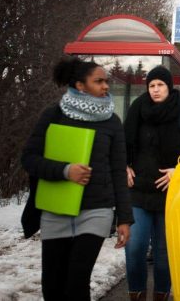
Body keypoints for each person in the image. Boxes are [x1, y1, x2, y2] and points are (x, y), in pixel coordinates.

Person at [21, 56, 132, 301]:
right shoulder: (53, 115)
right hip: (56, 208)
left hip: (96, 211)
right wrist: (65, 171)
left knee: (77, 281)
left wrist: (124, 217)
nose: (106, 86)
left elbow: (117, 170)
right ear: (80, 85)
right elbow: (29, 159)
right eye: (99, 81)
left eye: (106, 81)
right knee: (53, 285)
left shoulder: (112, 122)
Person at [123, 65, 180, 301]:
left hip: (172, 196)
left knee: (164, 253)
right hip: (138, 193)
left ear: (169, 87)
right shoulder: (137, 110)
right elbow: (122, 144)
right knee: (135, 247)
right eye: (151, 85)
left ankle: (162, 294)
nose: (156, 90)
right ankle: (136, 294)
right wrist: (124, 165)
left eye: (160, 85)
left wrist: (178, 171)